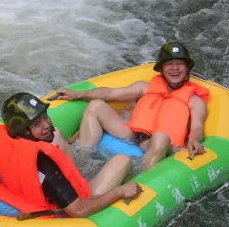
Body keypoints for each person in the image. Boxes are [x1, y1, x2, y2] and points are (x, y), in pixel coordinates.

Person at [0, 92, 142, 218]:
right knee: (123, 160)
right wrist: (119, 192)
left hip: (32, 194)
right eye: (37, 124)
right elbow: (78, 211)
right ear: (24, 131)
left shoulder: (4, 145)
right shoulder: (45, 164)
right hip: (71, 206)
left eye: (45, 117)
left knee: (57, 134)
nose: (47, 124)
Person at [56, 41, 210, 167]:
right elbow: (111, 93)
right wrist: (78, 94)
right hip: (134, 136)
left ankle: (139, 180)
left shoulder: (194, 101)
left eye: (180, 64)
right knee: (96, 105)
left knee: (161, 137)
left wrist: (194, 141)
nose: (175, 68)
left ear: (187, 68)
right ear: (161, 69)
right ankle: (81, 163)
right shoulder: (145, 88)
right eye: (169, 64)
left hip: (162, 144)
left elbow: (197, 127)